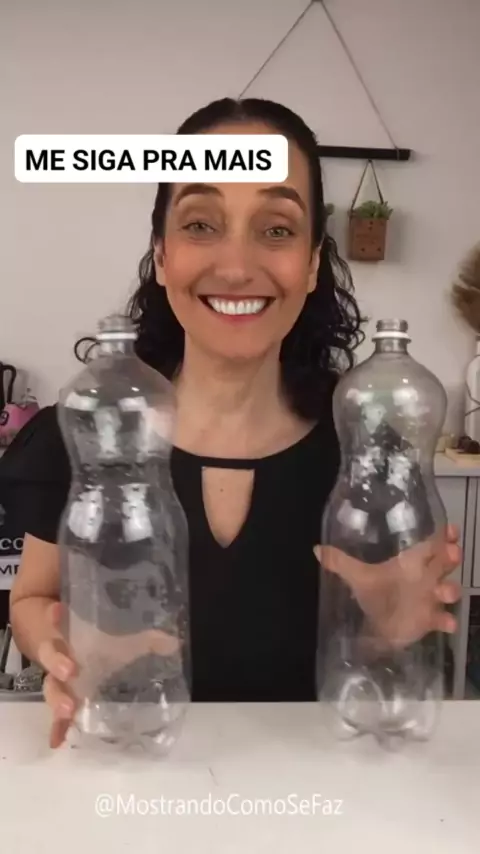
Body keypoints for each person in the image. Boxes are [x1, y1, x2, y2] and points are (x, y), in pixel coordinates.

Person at [3, 97, 460, 749]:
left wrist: (387, 633)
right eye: (200, 224)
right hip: (128, 776)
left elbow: (380, 676)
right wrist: (60, 648)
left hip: (311, 790)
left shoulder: (365, 448)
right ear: (162, 254)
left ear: (311, 263)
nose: (238, 266)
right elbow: (31, 600)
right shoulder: (83, 430)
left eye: (276, 229)